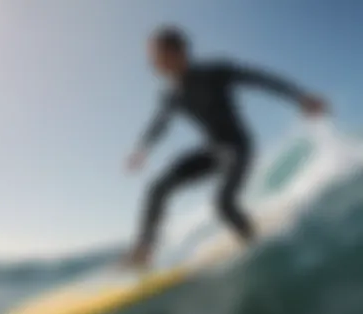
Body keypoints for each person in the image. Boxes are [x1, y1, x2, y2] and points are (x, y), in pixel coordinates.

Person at [124, 25, 326, 267]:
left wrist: (300, 96)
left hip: (238, 146)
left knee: (223, 204)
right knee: (158, 187)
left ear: (178, 52)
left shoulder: (215, 72)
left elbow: (259, 79)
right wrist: (142, 149)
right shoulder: (171, 95)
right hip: (213, 150)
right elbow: (159, 123)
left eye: (157, 54)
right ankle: (143, 253)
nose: (153, 62)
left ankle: (255, 243)